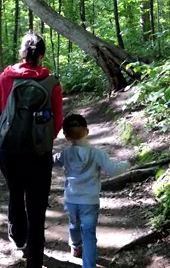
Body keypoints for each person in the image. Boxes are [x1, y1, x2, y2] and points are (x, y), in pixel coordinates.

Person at [0, 32, 63, 268]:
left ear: (21, 53)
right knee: (37, 207)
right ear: (42, 55)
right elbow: (57, 121)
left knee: (16, 193)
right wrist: (42, 139)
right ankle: (35, 261)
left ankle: (18, 236)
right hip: (38, 154)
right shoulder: (52, 83)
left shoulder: (6, 78)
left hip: (9, 150)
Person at [53, 114, 130, 268]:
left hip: (71, 200)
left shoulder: (65, 154)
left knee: (73, 225)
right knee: (89, 235)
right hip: (89, 201)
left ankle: (75, 247)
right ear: (87, 131)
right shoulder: (98, 154)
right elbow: (113, 170)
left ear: (66, 136)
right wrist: (127, 164)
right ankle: (88, 266)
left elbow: (50, 161)